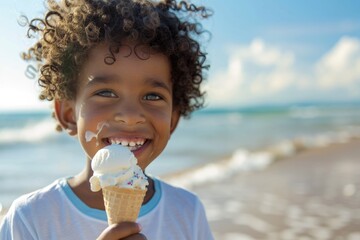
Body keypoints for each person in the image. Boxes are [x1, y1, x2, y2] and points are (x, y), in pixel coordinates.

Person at [0, 0, 213, 239]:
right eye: (105, 93)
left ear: (172, 120)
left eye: (153, 96)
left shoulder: (188, 212)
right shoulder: (30, 219)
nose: (131, 116)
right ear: (69, 114)